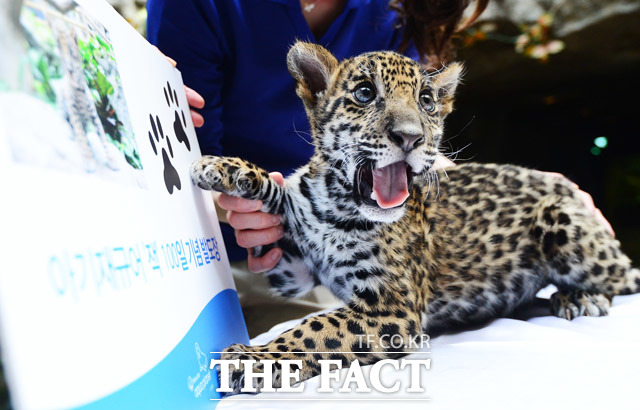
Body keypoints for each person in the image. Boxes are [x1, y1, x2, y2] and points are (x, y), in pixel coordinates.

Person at [146, 0, 614, 331]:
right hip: (231, 259)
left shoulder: (397, 11)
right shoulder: (199, 5)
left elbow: (411, 145)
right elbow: (185, 165)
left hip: (361, 246)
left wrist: (533, 192)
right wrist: (242, 207)